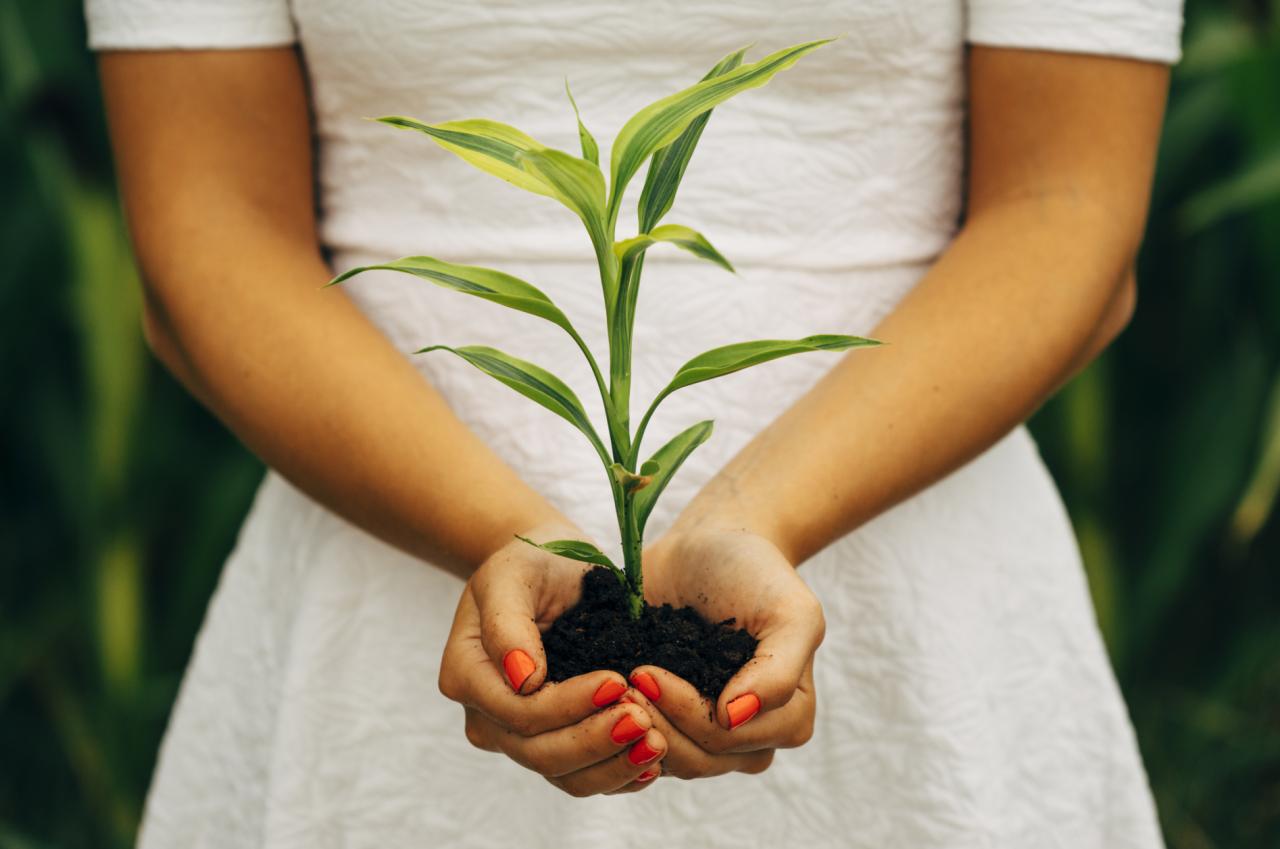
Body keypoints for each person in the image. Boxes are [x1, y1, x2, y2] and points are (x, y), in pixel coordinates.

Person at [88, 1, 1183, 846]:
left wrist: (759, 516)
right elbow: (209, 226)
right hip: (388, 570)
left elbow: (1065, 211)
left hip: (899, 571)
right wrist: (506, 536)